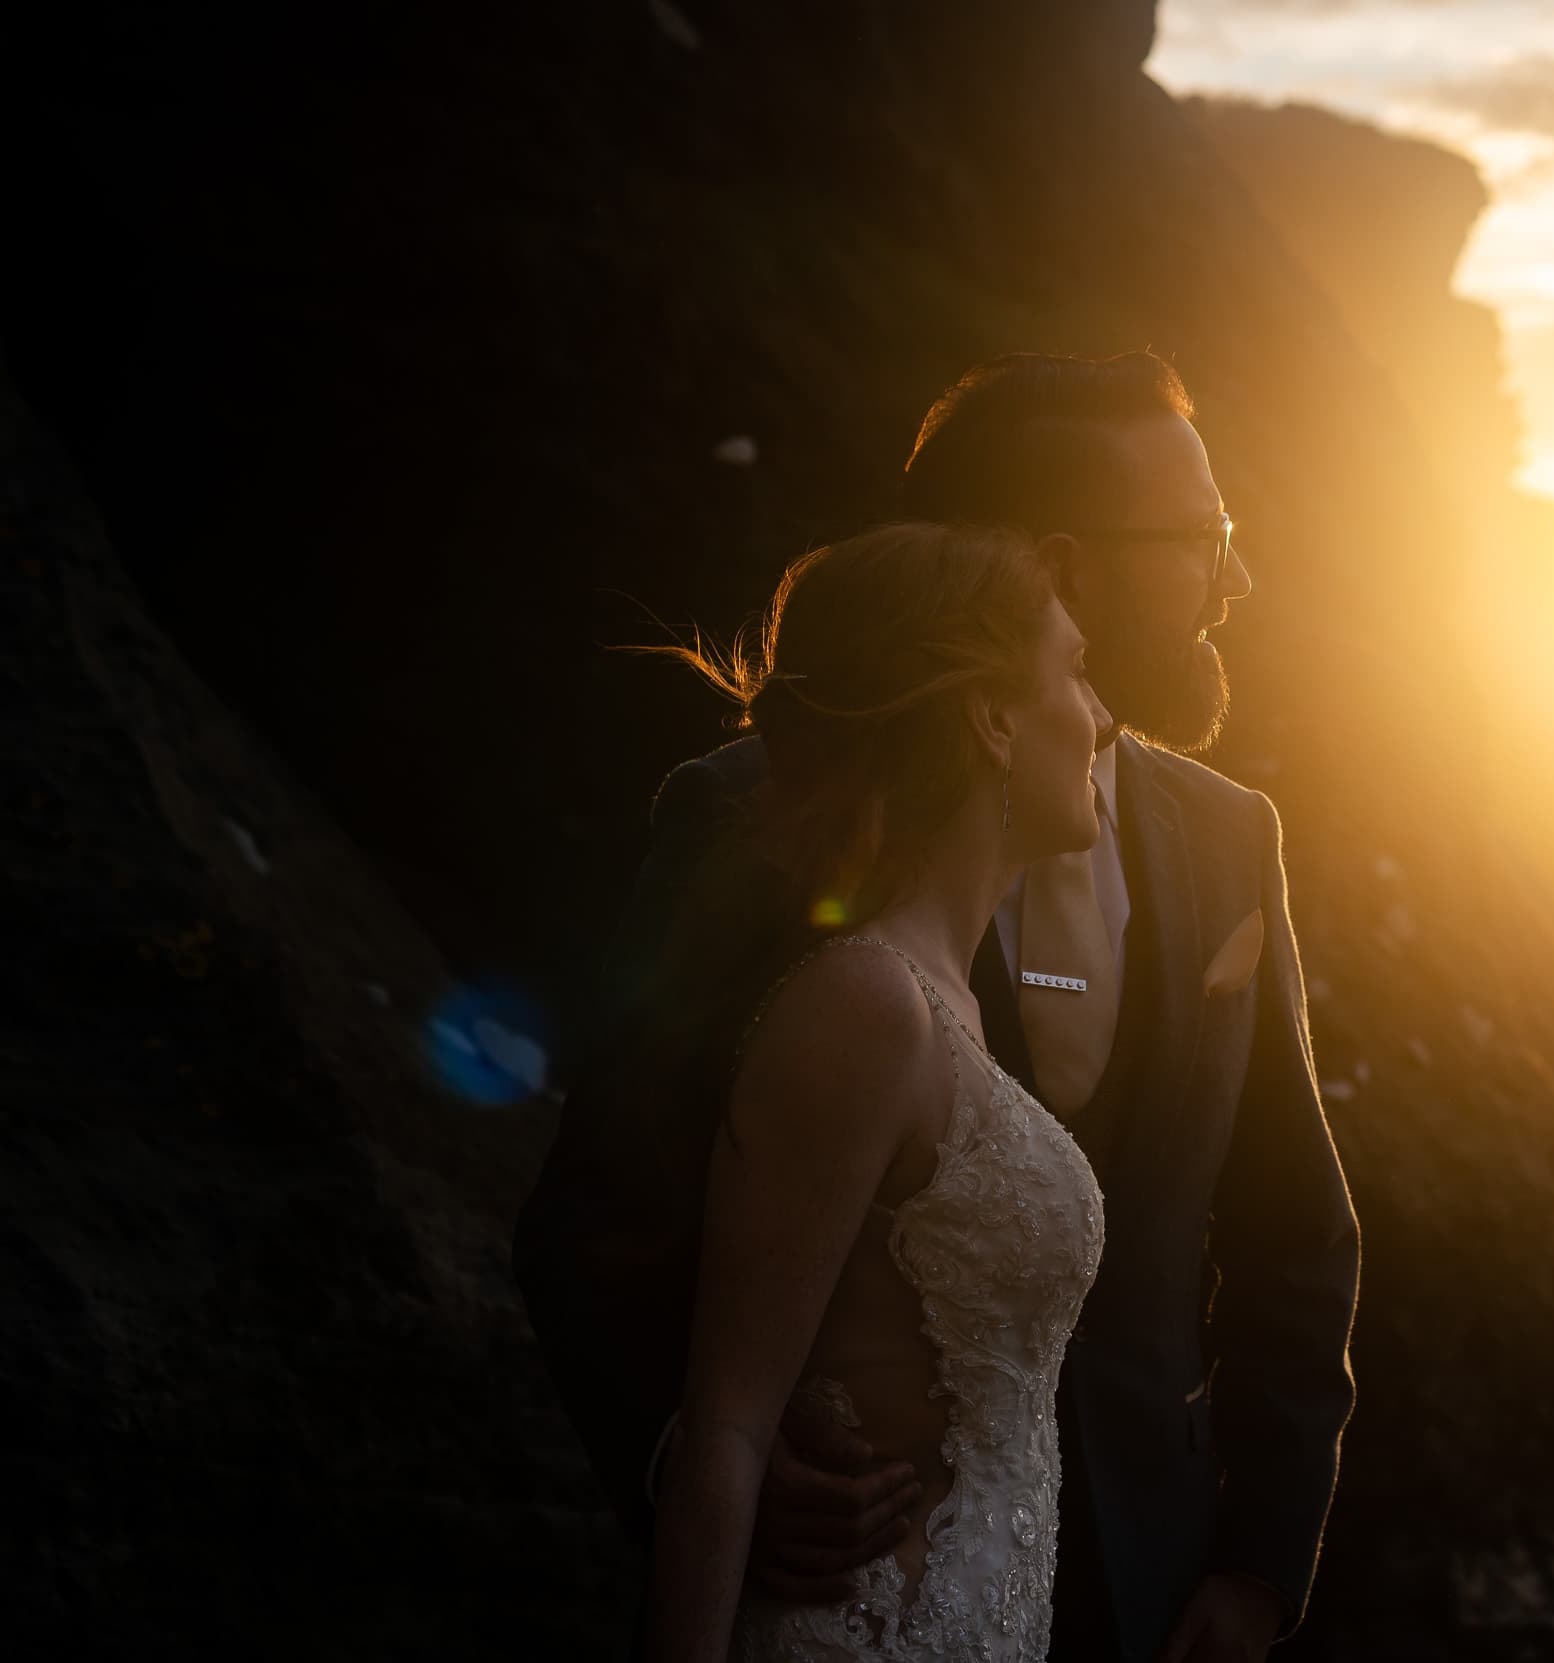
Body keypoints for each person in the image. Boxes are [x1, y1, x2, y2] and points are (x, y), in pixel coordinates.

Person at [517, 352, 1361, 1663]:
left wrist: (1262, 1558)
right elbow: (602, 1201)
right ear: (1066, 569)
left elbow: (1295, 1226)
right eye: (1204, 538)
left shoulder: (1232, 836)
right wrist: (686, 1444)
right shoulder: (753, 817)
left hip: (1158, 1581)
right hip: (862, 1567)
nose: (1234, 578)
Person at [632, 521, 1114, 1660]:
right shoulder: (865, 1004)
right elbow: (730, 1429)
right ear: (992, 717)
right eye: (1077, 669)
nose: (1100, 716)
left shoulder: (957, 1004)